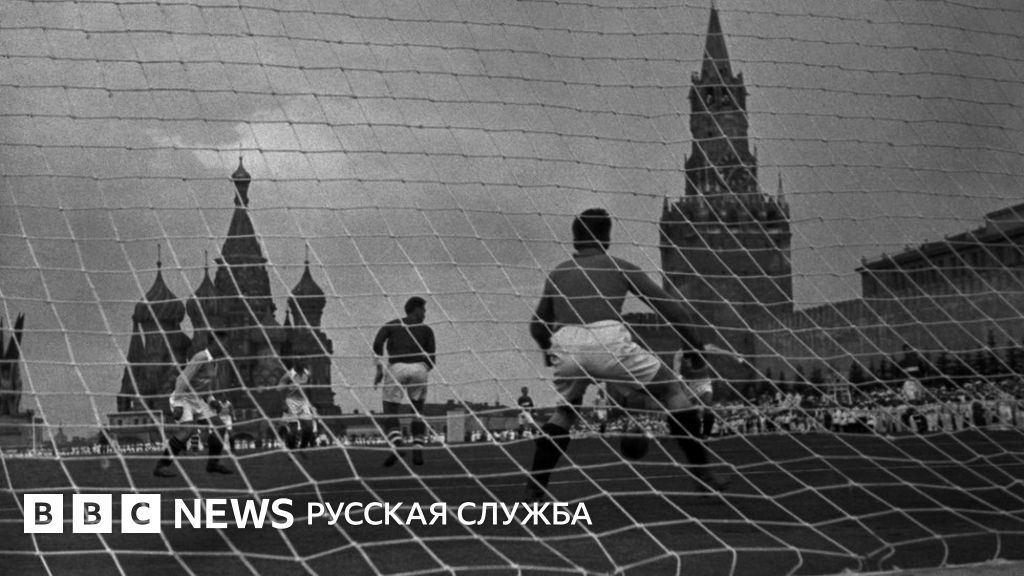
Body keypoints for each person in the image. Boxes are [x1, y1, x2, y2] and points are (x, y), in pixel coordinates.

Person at [525, 208, 727, 500]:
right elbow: (673, 310)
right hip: (608, 340)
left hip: (566, 343)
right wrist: (692, 346)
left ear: (575, 239)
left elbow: (537, 326)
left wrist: (548, 352)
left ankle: (535, 485)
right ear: (607, 238)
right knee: (672, 390)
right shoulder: (619, 267)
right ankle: (702, 473)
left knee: (565, 412)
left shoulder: (558, 273)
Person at [153, 327, 233, 477]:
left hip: (197, 399)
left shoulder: (214, 362)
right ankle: (161, 466)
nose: (227, 347)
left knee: (219, 427)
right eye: (225, 343)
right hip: (183, 397)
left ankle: (213, 464)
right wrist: (178, 403)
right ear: (215, 342)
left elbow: (203, 385)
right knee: (187, 431)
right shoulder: (200, 357)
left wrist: (211, 400)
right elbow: (181, 379)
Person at [373, 296, 436, 467]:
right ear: (416, 309)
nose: (425, 313)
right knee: (418, 411)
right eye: (423, 310)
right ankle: (418, 450)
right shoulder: (426, 330)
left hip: (396, 367)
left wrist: (379, 368)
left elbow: (377, 343)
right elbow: (432, 357)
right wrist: (423, 369)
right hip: (419, 368)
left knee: (390, 409)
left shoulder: (391, 325)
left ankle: (397, 444)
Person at [277, 361, 316, 453]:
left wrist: (311, 403)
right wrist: (283, 404)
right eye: (298, 361)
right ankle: (291, 449)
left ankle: (302, 448)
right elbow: (279, 389)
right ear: (295, 363)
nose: (301, 363)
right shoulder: (288, 375)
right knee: (293, 430)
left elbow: (309, 390)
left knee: (309, 427)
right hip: (291, 402)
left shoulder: (308, 374)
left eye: (302, 360)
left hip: (303, 402)